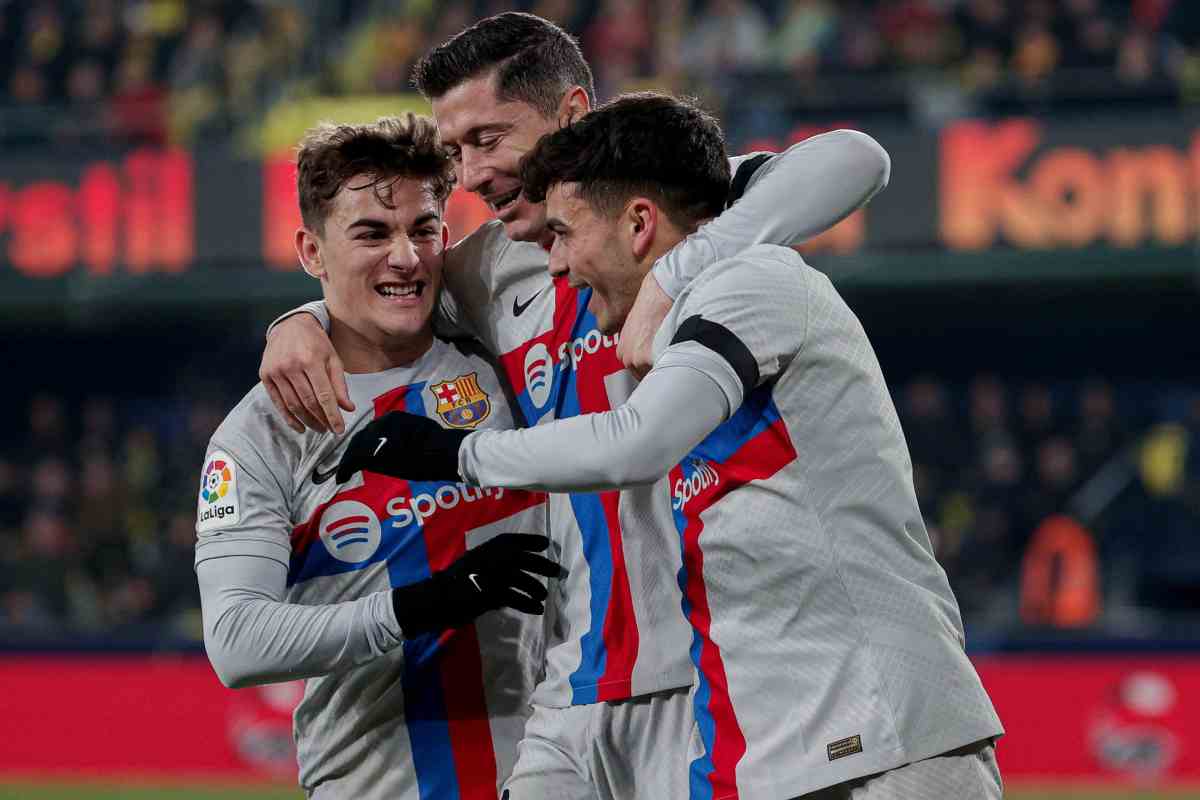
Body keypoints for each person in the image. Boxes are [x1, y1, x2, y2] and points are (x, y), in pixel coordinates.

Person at [260, 12, 891, 798]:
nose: (470, 173)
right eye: (455, 151)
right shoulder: (483, 272)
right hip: (570, 682)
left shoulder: (671, 218)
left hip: (705, 669)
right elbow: (378, 291)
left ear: (571, 112)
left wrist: (677, 272)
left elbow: (855, 159)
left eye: (488, 139)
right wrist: (300, 321)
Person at [336, 93, 1005, 800]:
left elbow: (636, 442)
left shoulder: (755, 283)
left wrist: (456, 455)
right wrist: (309, 322)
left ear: (639, 223)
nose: (558, 267)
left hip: (888, 743)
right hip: (771, 753)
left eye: (565, 234)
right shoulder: (683, 333)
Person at [195, 115, 560, 799]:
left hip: (551, 772)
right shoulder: (259, 434)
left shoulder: (499, 350)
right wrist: (430, 602)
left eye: (423, 230)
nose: (406, 258)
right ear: (311, 251)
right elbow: (237, 641)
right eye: (371, 233)